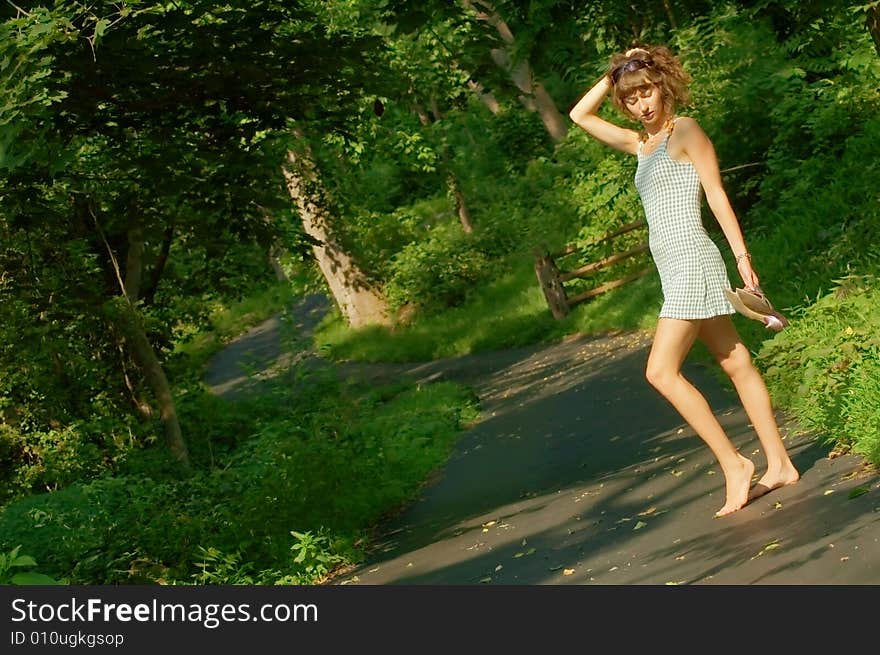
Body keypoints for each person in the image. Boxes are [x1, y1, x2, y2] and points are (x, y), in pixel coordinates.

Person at [568, 44, 799, 516]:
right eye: (631, 99)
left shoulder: (686, 131)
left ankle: (735, 464)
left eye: (647, 91)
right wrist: (616, 72)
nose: (642, 104)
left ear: (663, 85)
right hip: (672, 266)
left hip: (694, 260)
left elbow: (715, 193)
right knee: (734, 361)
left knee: (660, 371)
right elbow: (578, 114)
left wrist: (742, 256)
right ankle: (780, 464)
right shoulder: (640, 145)